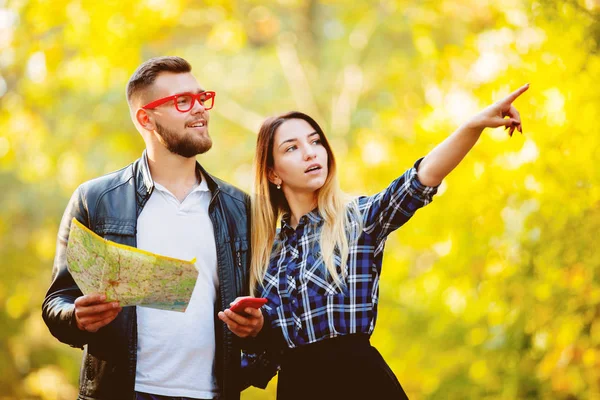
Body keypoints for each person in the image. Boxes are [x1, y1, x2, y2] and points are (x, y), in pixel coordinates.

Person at [218, 84, 529, 399]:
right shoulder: (266, 254)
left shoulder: (357, 219)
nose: (311, 152)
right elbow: (262, 359)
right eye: (292, 148)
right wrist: (253, 330)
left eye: (315, 141)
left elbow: (420, 179)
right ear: (272, 173)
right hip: (297, 388)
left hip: (360, 382)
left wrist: (473, 125)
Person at [42, 56, 263, 400]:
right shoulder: (96, 200)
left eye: (202, 98)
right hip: (123, 392)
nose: (200, 110)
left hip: (215, 392)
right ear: (146, 118)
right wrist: (78, 318)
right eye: (183, 101)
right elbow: (57, 301)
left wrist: (257, 327)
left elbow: (269, 308)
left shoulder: (240, 208)